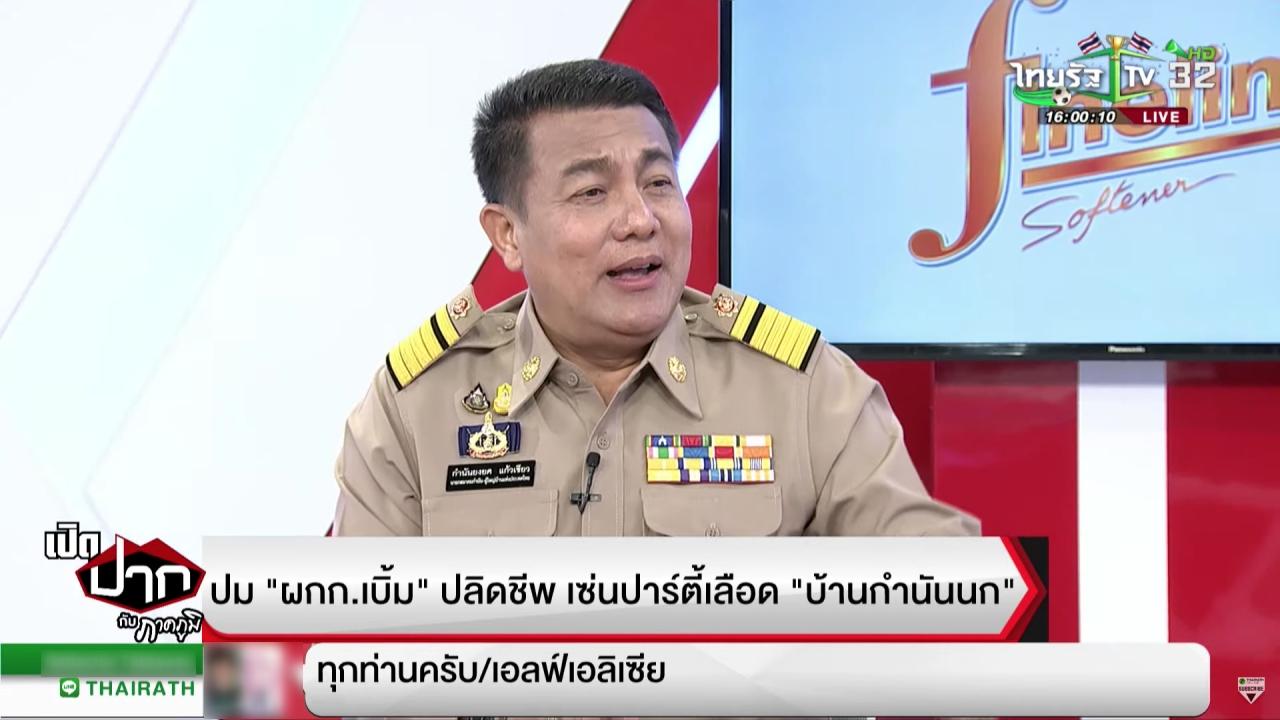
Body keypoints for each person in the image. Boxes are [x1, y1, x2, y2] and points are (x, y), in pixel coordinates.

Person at [332, 59, 977, 538]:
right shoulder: (415, 407)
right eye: (591, 193)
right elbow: (361, 643)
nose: (640, 219)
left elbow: (946, 594)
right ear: (508, 234)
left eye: (659, 182)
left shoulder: (805, 390)